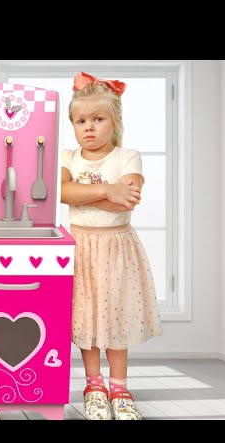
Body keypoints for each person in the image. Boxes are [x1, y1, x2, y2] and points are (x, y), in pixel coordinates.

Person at [61, 72, 162, 420]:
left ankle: (119, 387)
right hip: (81, 248)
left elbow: (127, 200)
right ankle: (94, 386)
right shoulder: (68, 157)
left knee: (115, 320)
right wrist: (108, 190)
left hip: (117, 249)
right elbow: (61, 192)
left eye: (98, 119)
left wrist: (84, 195)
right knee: (87, 320)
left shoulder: (128, 156)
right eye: (80, 120)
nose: (88, 127)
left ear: (115, 120)